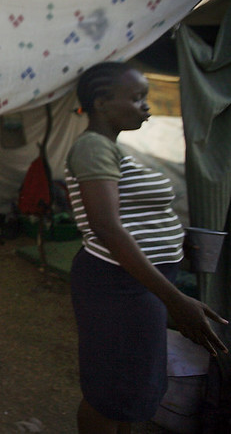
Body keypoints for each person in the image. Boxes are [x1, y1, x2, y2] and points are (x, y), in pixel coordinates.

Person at [65, 61, 228, 433]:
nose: (147, 107)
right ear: (102, 102)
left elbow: (131, 219)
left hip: (139, 284)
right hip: (118, 287)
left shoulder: (112, 149)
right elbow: (106, 227)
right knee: (111, 390)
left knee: (132, 385)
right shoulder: (92, 146)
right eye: (137, 98)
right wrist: (175, 300)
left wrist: (176, 244)